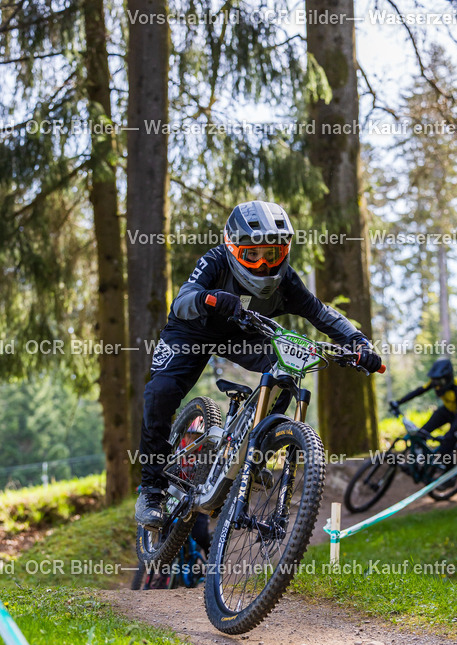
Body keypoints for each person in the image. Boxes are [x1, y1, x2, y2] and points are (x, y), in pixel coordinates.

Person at [135, 199, 382, 527]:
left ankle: (256, 453)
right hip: (192, 330)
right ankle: (151, 489)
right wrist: (209, 298)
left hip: (242, 334)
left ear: (285, 251)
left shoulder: (287, 282)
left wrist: (358, 342)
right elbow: (181, 301)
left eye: (272, 254)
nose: (263, 264)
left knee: (288, 366)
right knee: (160, 393)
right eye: (252, 254)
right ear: (233, 247)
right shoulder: (215, 260)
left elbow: (320, 313)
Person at [389, 358, 457, 468]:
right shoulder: (436, 382)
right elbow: (419, 391)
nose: (437, 385)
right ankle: (419, 464)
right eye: (435, 381)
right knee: (421, 434)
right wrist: (399, 402)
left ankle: (449, 476)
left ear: (448, 378)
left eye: (440, 381)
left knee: (446, 446)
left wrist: (450, 434)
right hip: (448, 410)